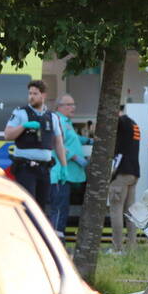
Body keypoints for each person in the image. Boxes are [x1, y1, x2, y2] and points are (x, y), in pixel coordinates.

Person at [3, 80, 67, 214]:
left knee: (41, 209)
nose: (31, 97)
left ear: (43, 95)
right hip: (25, 168)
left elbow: (58, 143)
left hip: (44, 169)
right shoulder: (20, 113)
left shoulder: (53, 117)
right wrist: (23, 126)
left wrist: (64, 166)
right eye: (30, 93)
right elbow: (7, 135)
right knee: (28, 206)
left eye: (35, 94)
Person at [49, 95, 92, 238]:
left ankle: (58, 238)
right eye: (68, 104)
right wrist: (75, 157)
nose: (72, 107)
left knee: (63, 208)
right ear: (59, 107)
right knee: (59, 209)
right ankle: (55, 241)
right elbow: (57, 144)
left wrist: (88, 141)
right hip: (60, 174)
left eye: (73, 104)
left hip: (68, 174)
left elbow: (73, 138)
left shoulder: (66, 122)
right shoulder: (59, 121)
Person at [108, 106, 141, 252]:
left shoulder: (121, 122)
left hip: (121, 174)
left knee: (116, 209)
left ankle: (117, 248)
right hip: (133, 173)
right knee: (129, 212)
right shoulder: (133, 123)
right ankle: (131, 247)